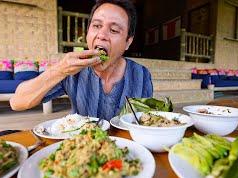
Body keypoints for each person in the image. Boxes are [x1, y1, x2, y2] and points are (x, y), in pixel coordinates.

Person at [10, 0, 153, 120]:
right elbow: (17, 102)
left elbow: (144, 120)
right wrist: (59, 70)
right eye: (97, 26)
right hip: (81, 146)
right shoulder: (71, 69)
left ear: (128, 42)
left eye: (114, 30)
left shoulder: (141, 75)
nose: (101, 35)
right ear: (87, 33)